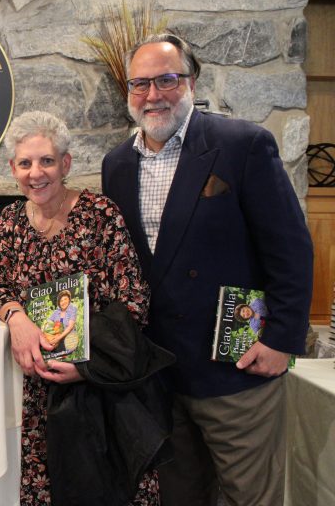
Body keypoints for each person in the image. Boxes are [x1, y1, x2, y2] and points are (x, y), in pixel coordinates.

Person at [101, 33, 314, 506]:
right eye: (140, 84)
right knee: (179, 496)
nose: (153, 95)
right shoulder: (116, 165)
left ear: (191, 82)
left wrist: (281, 341)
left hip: (236, 369)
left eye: (166, 80)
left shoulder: (242, 145)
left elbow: (291, 250)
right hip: (159, 373)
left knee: (249, 497)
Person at [0, 110, 161, 505]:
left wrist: (85, 366)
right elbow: (1, 288)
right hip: (34, 392)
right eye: (25, 163)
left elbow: (133, 301)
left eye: (47, 160)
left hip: (97, 388)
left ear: (65, 164)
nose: (36, 173)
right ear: (13, 169)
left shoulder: (101, 215)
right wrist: (16, 318)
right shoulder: (10, 220)